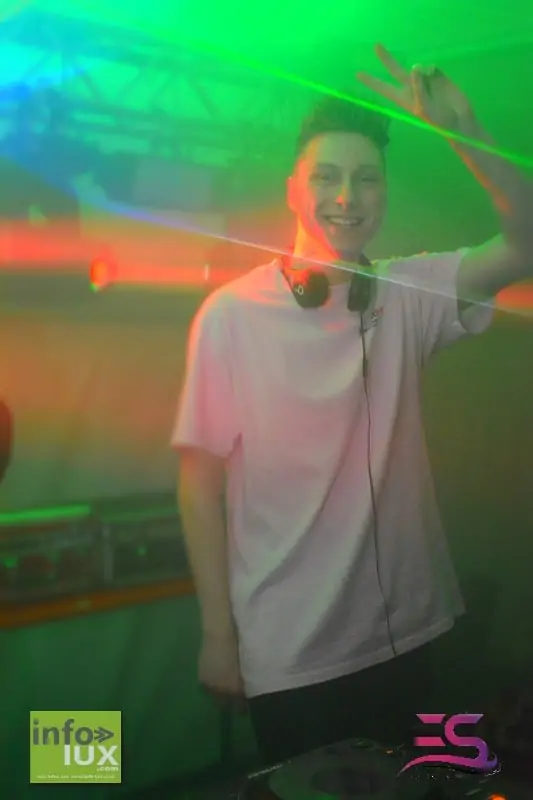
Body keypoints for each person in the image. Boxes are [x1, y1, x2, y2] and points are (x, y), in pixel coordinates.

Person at [172, 45, 532, 765]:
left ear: (384, 193)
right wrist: (217, 634)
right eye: (327, 176)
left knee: (428, 785)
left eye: (367, 178)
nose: (348, 196)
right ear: (292, 189)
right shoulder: (230, 316)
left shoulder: (408, 293)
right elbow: (198, 481)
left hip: (415, 634)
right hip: (292, 657)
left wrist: (466, 134)